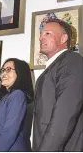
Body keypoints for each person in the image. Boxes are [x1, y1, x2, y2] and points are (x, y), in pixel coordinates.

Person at [33, 19, 83, 151]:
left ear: (63, 38)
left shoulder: (72, 60)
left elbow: (65, 114)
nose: (40, 37)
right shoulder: (52, 68)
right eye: (41, 34)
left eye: (47, 33)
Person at [0, 58, 34, 151]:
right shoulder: (8, 96)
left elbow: (10, 131)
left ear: (20, 73)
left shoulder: (18, 95)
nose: (3, 74)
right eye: (3, 70)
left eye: (8, 70)